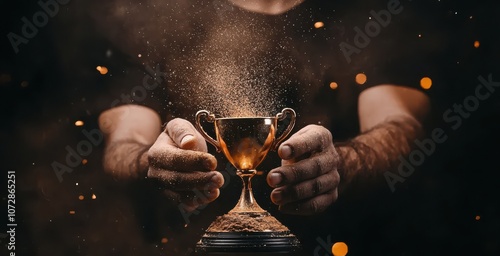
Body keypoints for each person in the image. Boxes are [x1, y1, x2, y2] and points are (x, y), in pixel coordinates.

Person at [97, 0, 429, 217]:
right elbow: (121, 146)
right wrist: (150, 163)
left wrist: (342, 162)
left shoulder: (370, 11)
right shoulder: (148, 15)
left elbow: (400, 126)